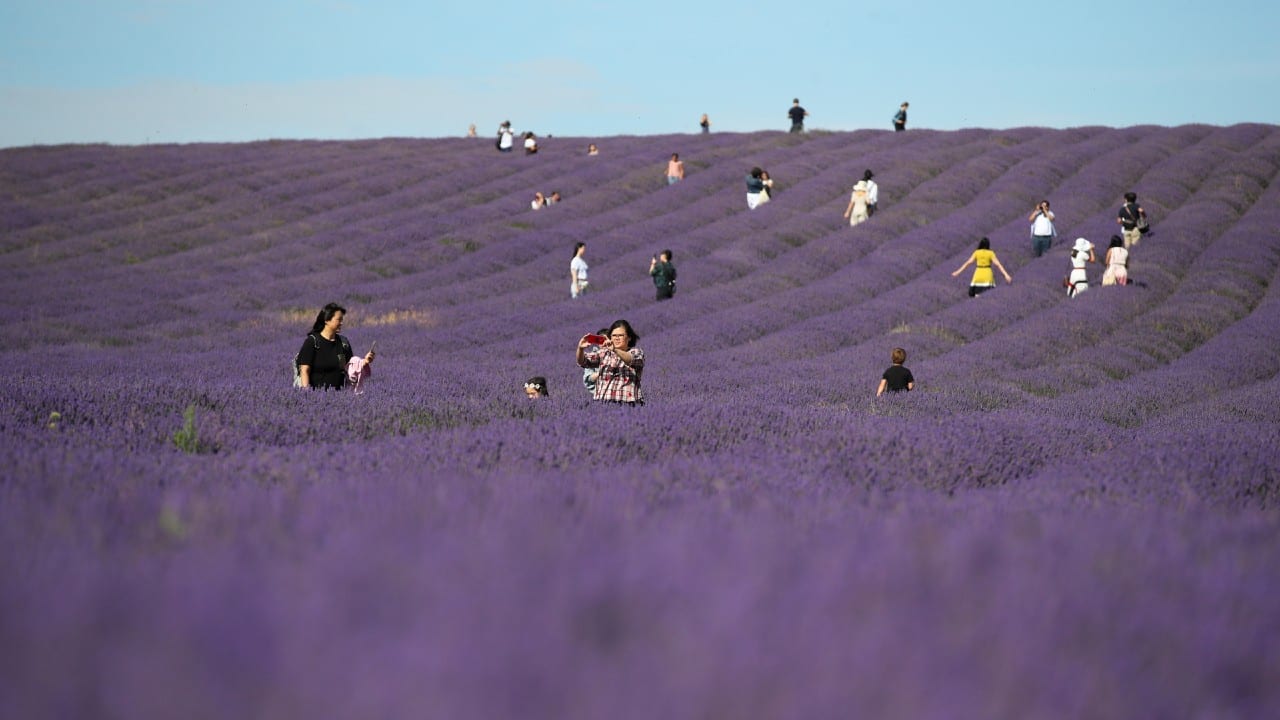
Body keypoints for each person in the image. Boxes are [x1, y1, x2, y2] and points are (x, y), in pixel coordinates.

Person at [296, 302, 375, 390]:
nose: (341, 323)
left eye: (342, 320)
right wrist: (307, 394)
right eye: (339, 320)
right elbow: (304, 371)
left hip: (340, 396)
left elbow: (351, 367)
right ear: (326, 320)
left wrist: (365, 361)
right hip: (317, 397)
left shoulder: (343, 342)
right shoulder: (312, 342)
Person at [577, 319, 645, 405]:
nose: (617, 338)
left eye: (620, 335)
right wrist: (580, 349)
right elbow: (583, 361)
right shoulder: (604, 353)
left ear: (629, 337)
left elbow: (631, 359)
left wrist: (615, 350)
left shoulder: (636, 352)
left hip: (627, 404)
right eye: (614, 335)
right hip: (602, 404)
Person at [582, 327, 608, 394]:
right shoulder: (594, 356)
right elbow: (588, 379)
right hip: (598, 393)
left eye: (606, 340)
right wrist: (603, 373)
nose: (603, 343)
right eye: (601, 340)